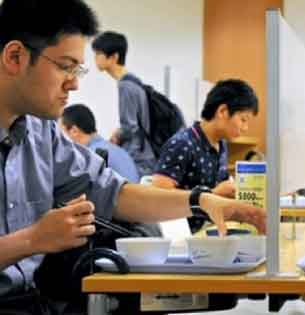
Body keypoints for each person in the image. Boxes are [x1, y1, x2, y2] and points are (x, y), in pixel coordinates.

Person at [0, 1, 265, 313]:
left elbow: (117, 194)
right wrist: (33, 239)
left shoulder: (42, 132)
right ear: (15, 57)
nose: (74, 82)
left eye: (77, 69)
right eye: (65, 66)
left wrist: (201, 202)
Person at [152, 79, 258, 232]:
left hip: (211, 229)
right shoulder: (182, 144)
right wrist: (212, 194)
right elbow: (158, 197)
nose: (245, 128)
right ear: (222, 111)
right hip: (186, 236)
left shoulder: (222, 145)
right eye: (243, 120)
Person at [91, 31, 156, 176]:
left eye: (98, 54)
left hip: (138, 159)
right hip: (146, 155)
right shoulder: (135, 81)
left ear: (114, 57)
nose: (95, 59)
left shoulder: (125, 86)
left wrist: (119, 135)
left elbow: (130, 128)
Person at [60, 103, 140, 183]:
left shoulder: (91, 156)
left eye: (61, 132)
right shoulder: (118, 150)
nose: (60, 137)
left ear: (74, 131)